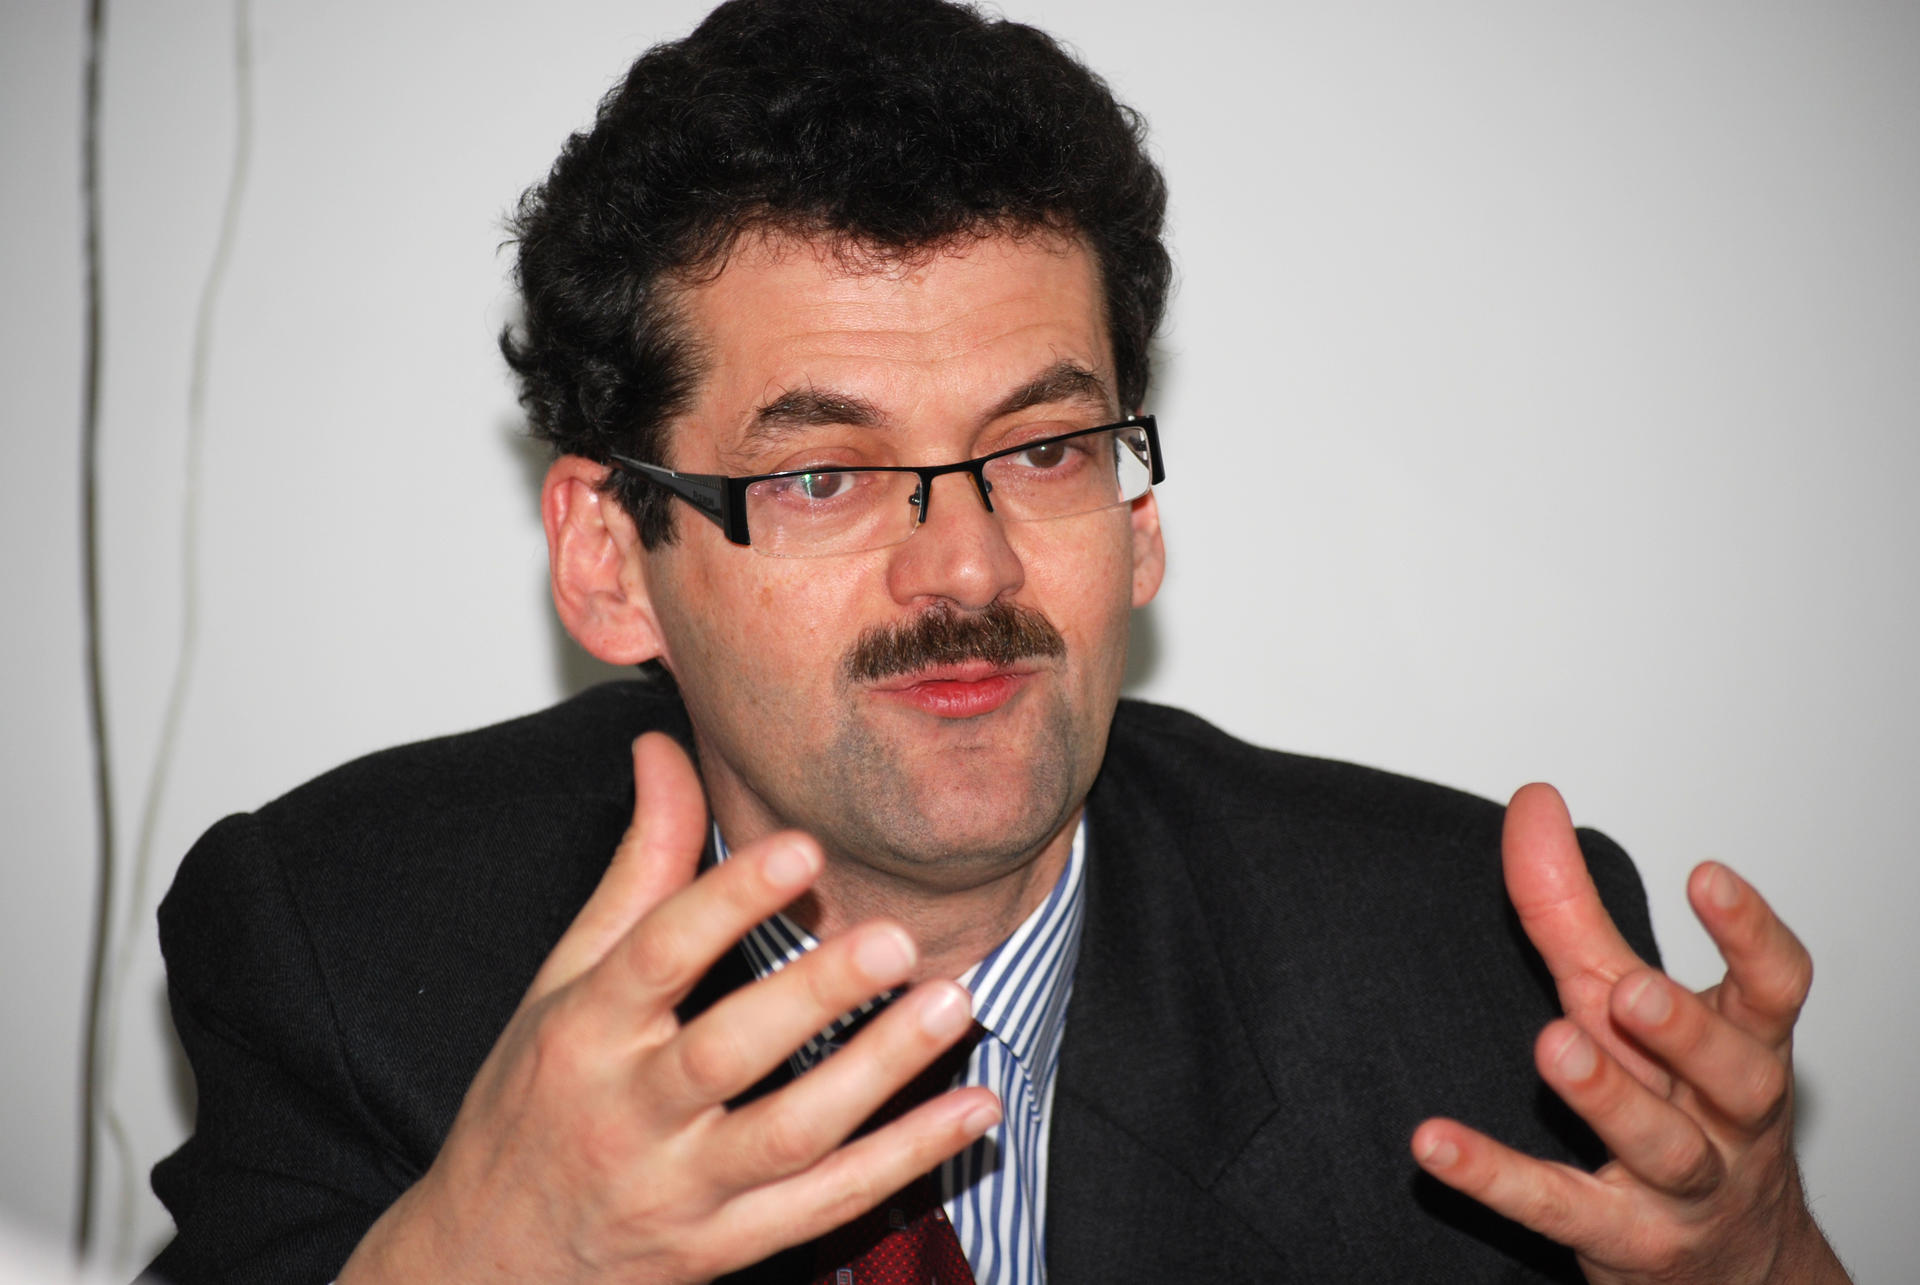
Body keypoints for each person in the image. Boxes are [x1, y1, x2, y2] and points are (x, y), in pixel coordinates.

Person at [146, 1, 1850, 1281]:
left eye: (1043, 450)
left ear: (1138, 520)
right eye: (822, 474)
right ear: (611, 561)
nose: (965, 564)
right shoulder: (346, 946)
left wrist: (1765, 1264)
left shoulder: (1486, 977)